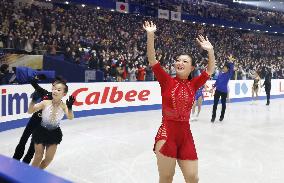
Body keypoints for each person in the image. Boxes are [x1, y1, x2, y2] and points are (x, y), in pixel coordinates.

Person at [143, 21, 215, 183]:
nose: (180, 63)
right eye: (178, 60)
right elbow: (153, 60)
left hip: (185, 135)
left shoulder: (194, 84)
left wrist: (210, 51)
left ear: (191, 68)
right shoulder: (166, 80)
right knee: (166, 177)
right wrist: (150, 35)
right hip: (167, 133)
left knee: (192, 177)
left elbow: (210, 70)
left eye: (185, 61)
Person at [28, 79, 75, 169]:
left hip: (54, 133)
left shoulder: (64, 106)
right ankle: (30, 177)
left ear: (64, 94)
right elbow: (30, 111)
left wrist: (69, 107)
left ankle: (37, 173)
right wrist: (33, 101)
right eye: (54, 89)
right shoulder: (45, 102)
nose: (55, 91)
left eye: (58, 90)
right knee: (38, 157)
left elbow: (70, 117)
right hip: (41, 131)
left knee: (48, 159)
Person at [13, 78, 61, 164]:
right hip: (34, 119)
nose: (54, 88)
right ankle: (15, 160)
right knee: (23, 139)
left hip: (42, 125)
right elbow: (33, 83)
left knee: (32, 146)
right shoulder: (45, 92)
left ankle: (25, 163)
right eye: (53, 85)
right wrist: (36, 77)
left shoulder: (58, 101)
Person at [210, 55, 234, 122]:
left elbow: (231, 69)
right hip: (217, 90)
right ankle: (213, 117)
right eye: (223, 67)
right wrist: (213, 87)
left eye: (225, 68)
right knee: (215, 104)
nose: (224, 68)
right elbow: (217, 81)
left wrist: (230, 62)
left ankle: (222, 116)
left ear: (227, 69)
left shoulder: (228, 74)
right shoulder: (220, 74)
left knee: (223, 105)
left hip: (224, 92)